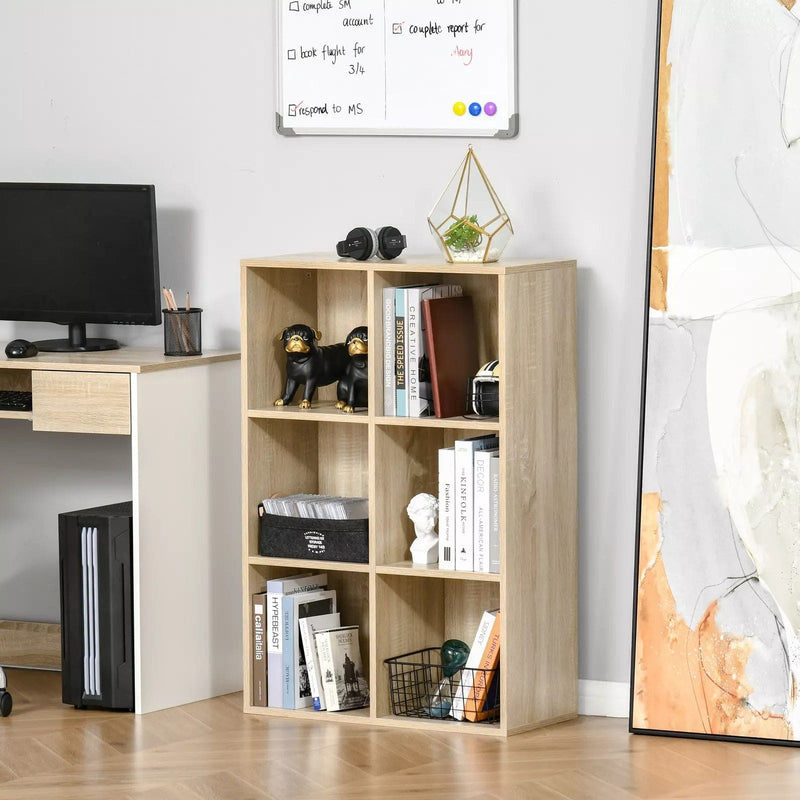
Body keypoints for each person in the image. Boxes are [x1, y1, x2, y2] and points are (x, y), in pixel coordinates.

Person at [407, 492, 438, 565]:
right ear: (413, 516)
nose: (433, 523)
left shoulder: (435, 542)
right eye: (428, 518)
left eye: (435, 518)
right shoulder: (415, 543)